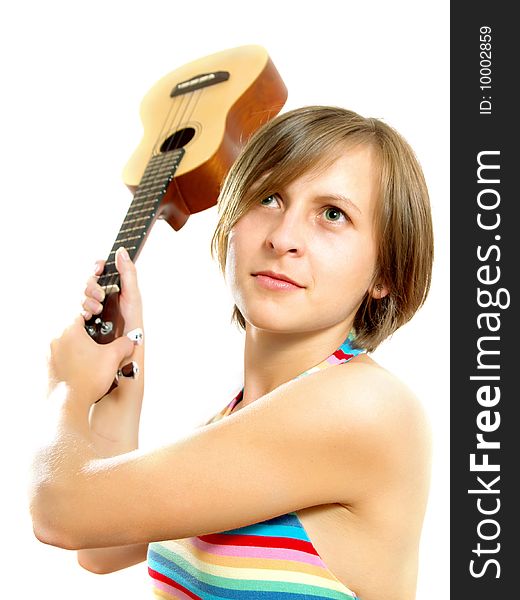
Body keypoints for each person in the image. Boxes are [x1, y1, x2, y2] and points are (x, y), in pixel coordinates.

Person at [30, 105, 434, 600]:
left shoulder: (365, 406)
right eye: (268, 197)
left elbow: (61, 513)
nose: (283, 238)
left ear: (385, 273)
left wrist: (65, 388)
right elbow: (101, 549)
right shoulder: (236, 422)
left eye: (333, 214)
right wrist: (124, 362)